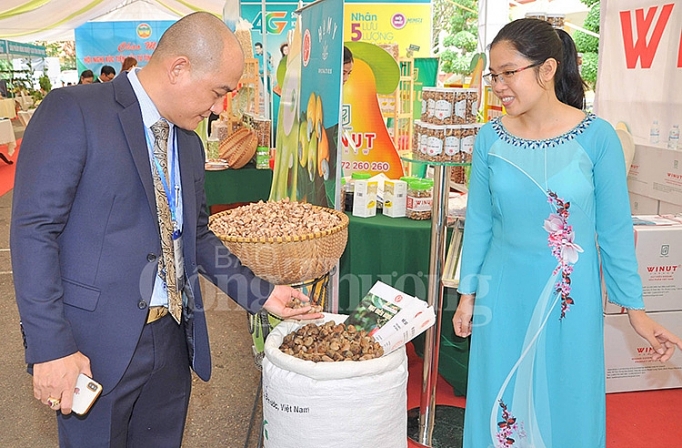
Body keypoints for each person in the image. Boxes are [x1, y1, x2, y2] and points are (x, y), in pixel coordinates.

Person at [10, 11, 321, 447]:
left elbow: (194, 235)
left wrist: (262, 293)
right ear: (179, 68)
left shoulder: (189, 144)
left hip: (173, 340)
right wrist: (50, 347)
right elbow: (33, 232)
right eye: (217, 93)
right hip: (92, 349)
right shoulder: (75, 111)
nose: (217, 109)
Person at [452, 18, 682, 447]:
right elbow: (479, 223)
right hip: (502, 293)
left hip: (569, 296)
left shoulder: (598, 138)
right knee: (500, 397)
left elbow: (613, 231)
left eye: (508, 72)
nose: (498, 85)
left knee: (569, 393)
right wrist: (467, 296)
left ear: (547, 69)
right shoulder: (489, 139)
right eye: (493, 75)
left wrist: (635, 309)